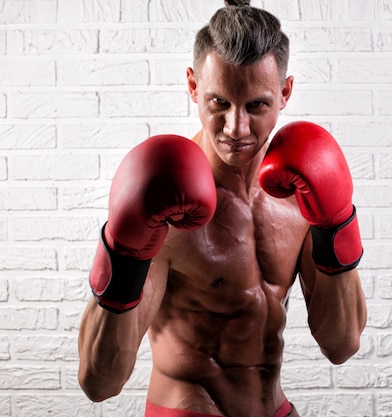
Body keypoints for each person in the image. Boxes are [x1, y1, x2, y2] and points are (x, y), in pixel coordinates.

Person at [77, 1, 367, 416]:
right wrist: (122, 251)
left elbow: (342, 345)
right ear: (193, 86)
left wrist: (335, 222)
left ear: (285, 93)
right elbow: (99, 382)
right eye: (219, 103)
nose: (236, 128)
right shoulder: (167, 206)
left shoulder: (300, 195)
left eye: (256, 106)